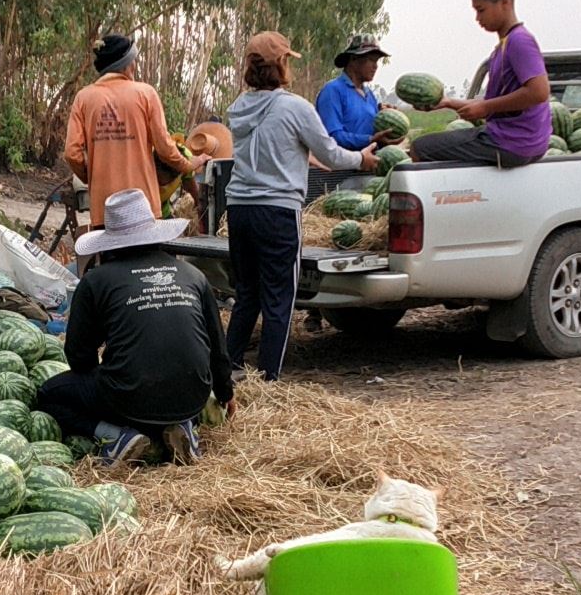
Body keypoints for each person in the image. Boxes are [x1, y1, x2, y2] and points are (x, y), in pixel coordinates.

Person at [37, 188, 233, 467]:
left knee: (49, 394)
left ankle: (116, 436)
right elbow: (218, 349)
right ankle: (183, 426)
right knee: (163, 384)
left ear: (110, 241)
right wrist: (225, 394)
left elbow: (79, 358)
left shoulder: (96, 281)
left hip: (126, 401)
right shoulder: (194, 275)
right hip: (193, 399)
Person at [223, 31, 378, 382]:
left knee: (248, 292)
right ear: (280, 65)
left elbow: (277, 149)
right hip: (277, 211)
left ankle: (228, 367)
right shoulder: (295, 107)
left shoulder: (238, 107)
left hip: (239, 210)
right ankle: (269, 379)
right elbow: (330, 153)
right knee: (279, 296)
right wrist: (362, 160)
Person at [64, 34, 208, 230]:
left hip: (104, 209)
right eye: (133, 62)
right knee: (146, 260)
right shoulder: (145, 94)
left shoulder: (84, 98)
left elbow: (72, 154)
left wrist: (94, 178)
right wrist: (186, 165)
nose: (134, 67)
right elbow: (165, 149)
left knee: (110, 259)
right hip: (143, 207)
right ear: (125, 65)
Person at [412, 0, 552, 167]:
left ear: (505, 3)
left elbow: (539, 91)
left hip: (512, 142)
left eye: (481, 10)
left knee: (419, 149)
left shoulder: (519, 40)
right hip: (516, 140)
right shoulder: (502, 47)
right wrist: (449, 103)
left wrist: (485, 107)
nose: (477, 18)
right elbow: (498, 101)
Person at [315, 34, 395, 149]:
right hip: (345, 166)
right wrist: (370, 140)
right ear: (353, 59)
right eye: (371, 60)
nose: (375, 66)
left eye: (377, 61)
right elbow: (333, 137)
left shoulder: (370, 95)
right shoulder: (332, 91)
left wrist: (387, 121)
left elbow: (375, 136)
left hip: (369, 163)